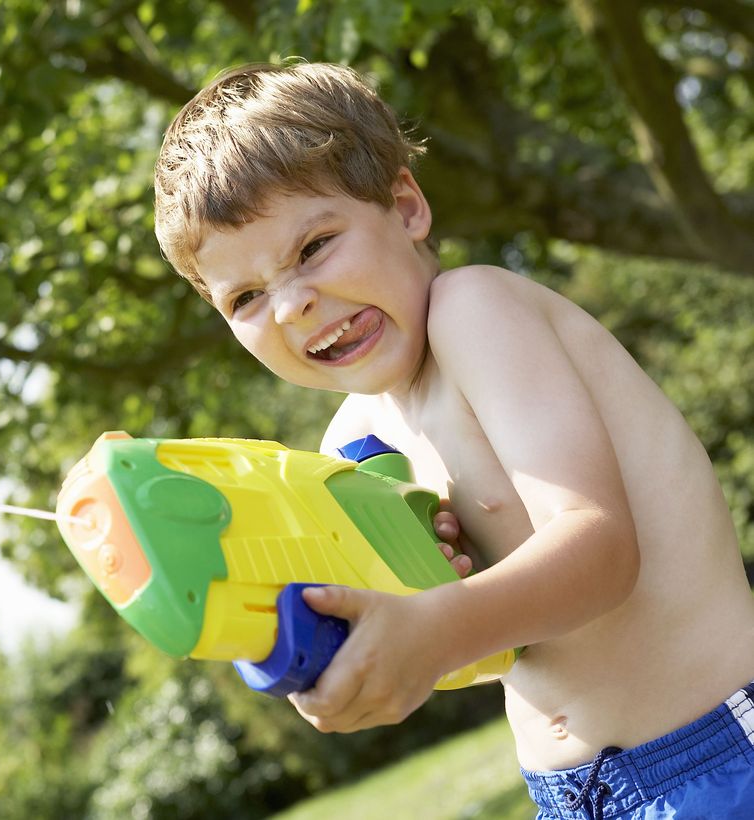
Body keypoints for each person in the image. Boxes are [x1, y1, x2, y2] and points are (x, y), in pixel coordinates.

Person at [153, 61, 754, 818]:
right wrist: (357, 652)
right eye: (245, 297)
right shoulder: (354, 442)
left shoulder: (475, 313)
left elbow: (601, 552)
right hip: (572, 797)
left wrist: (434, 628)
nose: (294, 305)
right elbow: (485, 646)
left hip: (718, 759)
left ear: (405, 206)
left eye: (313, 248)